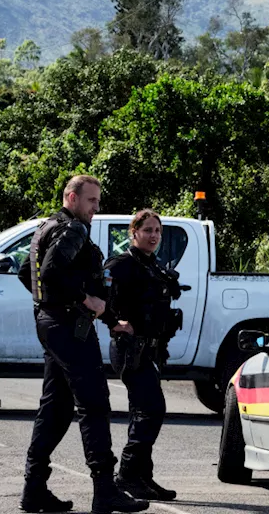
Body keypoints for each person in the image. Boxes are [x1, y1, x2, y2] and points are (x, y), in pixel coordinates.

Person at [16, 175, 146, 514]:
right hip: (68, 327)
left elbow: (25, 271)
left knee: (56, 409)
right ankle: (105, 490)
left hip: (55, 325)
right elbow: (51, 273)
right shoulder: (71, 229)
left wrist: (102, 315)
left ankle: (34, 490)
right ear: (71, 198)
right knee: (94, 405)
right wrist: (82, 299)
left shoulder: (47, 227)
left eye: (97, 201)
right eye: (91, 201)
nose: (95, 208)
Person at [105, 210, 183, 501]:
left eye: (157, 231)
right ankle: (126, 474)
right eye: (147, 230)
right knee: (151, 410)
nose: (153, 236)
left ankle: (142, 477)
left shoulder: (153, 266)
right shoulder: (121, 265)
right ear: (133, 232)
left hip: (151, 348)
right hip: (130, 349)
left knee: (144, 411)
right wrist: (114, 322)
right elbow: (103, 298)